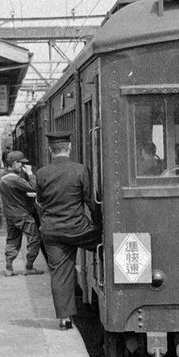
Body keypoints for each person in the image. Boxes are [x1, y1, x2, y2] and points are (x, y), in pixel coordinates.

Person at [35, 132, 100, 330]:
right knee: (105, 244)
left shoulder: (42, 173)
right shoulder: (80, 170)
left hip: (52, 232)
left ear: (50, 150)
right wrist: (99, 225)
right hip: (78, 230)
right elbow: (90, 201)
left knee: (59, 273)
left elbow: (40, 201)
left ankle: (64, 319)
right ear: (69, 148)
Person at [0, 150, 42, 276]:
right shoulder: (15, 179)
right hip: (22, 215)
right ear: (14, 163)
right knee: (34, 238)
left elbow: (15, 193)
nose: (22, 166)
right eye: (21, 163)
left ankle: (9, 267)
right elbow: (33, 187)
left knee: (12, 240)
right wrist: (30, 173)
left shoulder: (4, 178)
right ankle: (29, 266)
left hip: (10, 215)